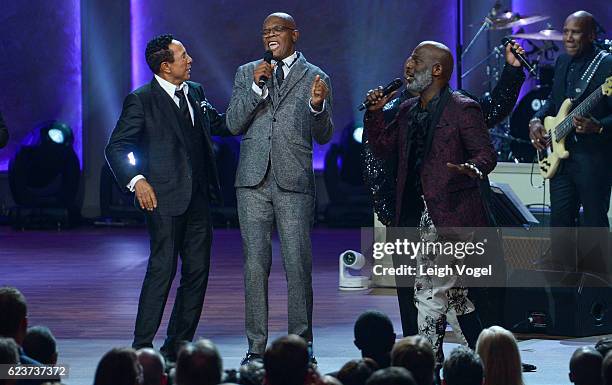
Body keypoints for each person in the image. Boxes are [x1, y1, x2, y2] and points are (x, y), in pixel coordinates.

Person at [363, 40, 526, 341]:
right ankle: (419, 351)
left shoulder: (463, 108)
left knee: (456, 294)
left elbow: (486, 154)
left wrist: (473, 168)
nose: (407, 66)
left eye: (416, 60)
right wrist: (374, 114)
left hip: (451, 214)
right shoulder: (406, 108)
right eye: (408, 59)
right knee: (422, 293)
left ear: (437, 70)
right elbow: (384, 147)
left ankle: (486, 351)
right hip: (412, 214)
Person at [105, 34, 229, 362]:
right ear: (165, 65)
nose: (190, 60)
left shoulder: (196, 91)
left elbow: (220, 125)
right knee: (162, 270)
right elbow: (117, 147)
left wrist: (257, 92)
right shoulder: (142, 100)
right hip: (164, 199)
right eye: (183, 55)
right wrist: (137, 180)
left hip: (200, 199)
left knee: (197, 273)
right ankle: (141, 348)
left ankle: (177, 347)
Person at [226, 12, 333, 364]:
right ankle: (256, 348)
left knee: (297, 266)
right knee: (254, 266)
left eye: (277, 30)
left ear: (294, 35)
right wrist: (257, 89)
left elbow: (324, 135)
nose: (270, 36)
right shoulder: (247, 73)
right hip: (252, 183)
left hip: (294, 182)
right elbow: (233, 123)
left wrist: (317, 107)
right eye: (265, 32)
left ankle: (301, 347)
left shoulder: (316, 76)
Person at [529, 11, 612, 271]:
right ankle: (562, 278)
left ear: (591, 35)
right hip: (560, 158)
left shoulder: (607, 64)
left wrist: (599, 127)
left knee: (594, 222)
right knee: (560, 220)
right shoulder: (563, 61)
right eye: (565, 32)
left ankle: (598, 286)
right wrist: (536, 120)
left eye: (575, 32)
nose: (568, 38)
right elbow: (554, 103)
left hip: (593, 158)